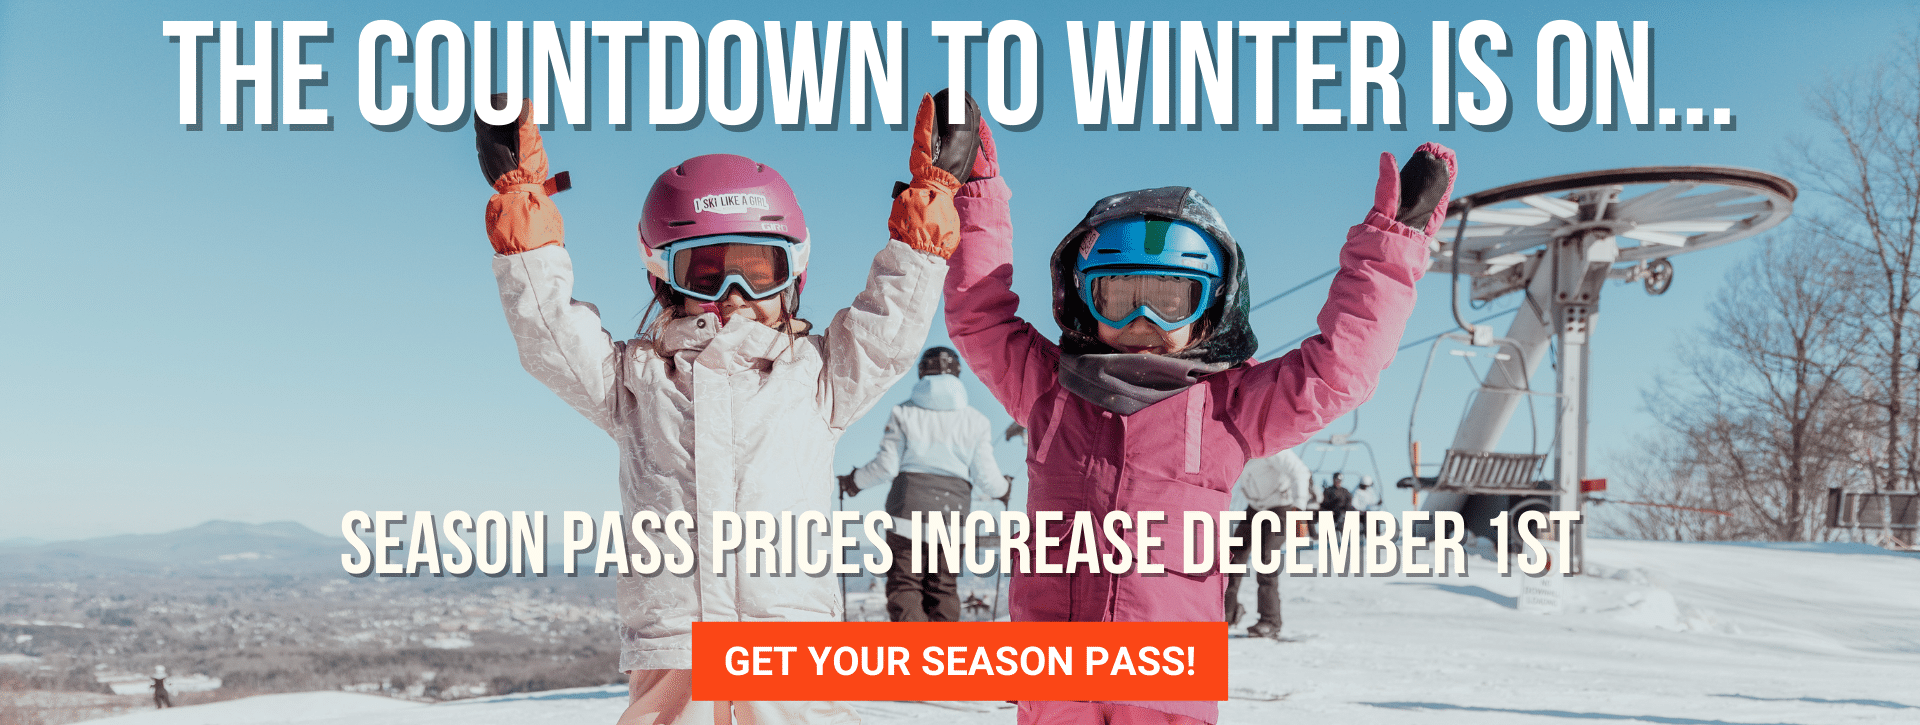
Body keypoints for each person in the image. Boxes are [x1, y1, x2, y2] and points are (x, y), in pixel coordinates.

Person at [942, 98, 1456, 724]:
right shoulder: (1051, 391)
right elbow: (978, 314)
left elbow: (1337, 371)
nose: (1142, 322)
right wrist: (975, 195)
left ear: (1212, 306)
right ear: (1082, 300)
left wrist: (1391, 247)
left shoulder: (1227, 406)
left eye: (1168, 300)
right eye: (1118, 296)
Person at [476, 91, 970, 724]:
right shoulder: (634, 379)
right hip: (676, 645)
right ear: (662, 277)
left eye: (757, 269)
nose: (734, 295)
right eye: (705, 272)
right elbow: (549, 334)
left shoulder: (819, 375)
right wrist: (524, 213)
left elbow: (891, 323)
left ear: (794, 274)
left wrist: (929, 204)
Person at [839, 347, 1010, 622]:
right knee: (943, 588)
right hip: (953, 517)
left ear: (921, 373)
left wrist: (853, 482)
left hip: (907, 513)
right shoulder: (976, 421)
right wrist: (1005, 489)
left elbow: (886, 467)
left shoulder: (903, 413)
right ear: (957, 374)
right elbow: (987, 479)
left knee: (905, 585)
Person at [1223, 449, 1316, 638]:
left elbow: (1300, 471)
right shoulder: (1233, 449)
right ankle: (1227, 614)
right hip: (1254, 509)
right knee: (1232, 558)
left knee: (1265, 559)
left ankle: (1270, 621)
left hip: (1281, 508)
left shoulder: (1271, 446)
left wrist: (1299, 512)